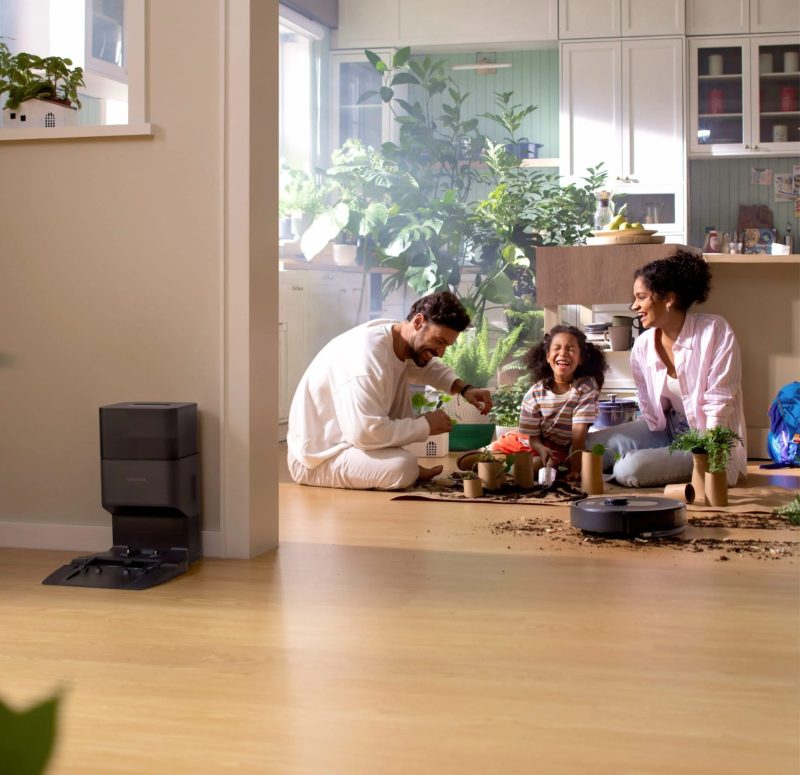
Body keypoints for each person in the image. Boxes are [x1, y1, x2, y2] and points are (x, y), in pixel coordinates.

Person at [287, 291, 493, 490]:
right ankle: (410, 471)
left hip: (349, 444)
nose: (441, 352)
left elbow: (427, 368)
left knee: (404, 459)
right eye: (439, 341)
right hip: (316, 460)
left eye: (447, 345)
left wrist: (465, 389)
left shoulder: (396, 337)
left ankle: (404, 469)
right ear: (418, 322)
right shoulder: (366, 360)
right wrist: (426, 425)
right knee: (402, 467)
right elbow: (364, 433)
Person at [587, 250, 746, 487]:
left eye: (641, 297)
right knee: (587, 447)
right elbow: (652, 413)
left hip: (706, 440)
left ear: (668, 299)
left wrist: (712, 460)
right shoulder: (643, 345)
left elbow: (718, 405)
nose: (634, 306)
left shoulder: (714, 331)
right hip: (667, 429)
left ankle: (630, 466)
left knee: (628, 468)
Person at [519, 325, 607, 481]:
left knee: (526, 469)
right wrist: (541, 448)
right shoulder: (534, 394)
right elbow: (533, 439)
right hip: (534, 445)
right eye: (557, 348)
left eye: (571, 349)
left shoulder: (585, 387)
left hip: (562, 451)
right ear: (547, 356)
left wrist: (576, 469)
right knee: (486, 458)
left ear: (581, 358)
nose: (563, 353)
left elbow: (579, 431)